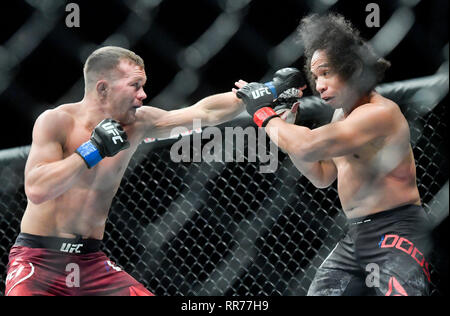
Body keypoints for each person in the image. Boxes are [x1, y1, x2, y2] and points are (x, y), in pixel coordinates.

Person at [4, 46, 249, 296]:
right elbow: (37, 189)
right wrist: (92, 149)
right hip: (39, 259)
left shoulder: (139, 123)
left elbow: (204, 112)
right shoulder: (56, 121)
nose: (143, 95)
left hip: (90, 261)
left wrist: (254, 95)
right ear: (103, 88)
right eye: (135, 85)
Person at [234, 13, 433, 296]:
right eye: (315, 77)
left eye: (326, 72)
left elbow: (308, 144)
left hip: (396, 230)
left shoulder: (379, 113)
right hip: (356, 235)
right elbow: (322, 175)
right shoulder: (342, 114)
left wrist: (263, 113)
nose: (319, 85)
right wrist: (286, 127)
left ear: (352, 68)